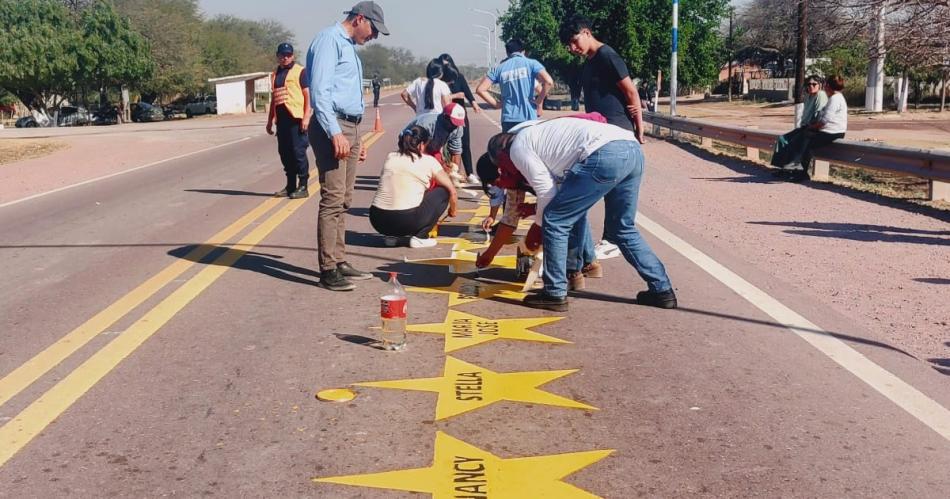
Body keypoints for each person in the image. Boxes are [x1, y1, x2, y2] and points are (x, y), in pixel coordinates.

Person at [484, 118, 676, 312]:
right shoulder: (537, 136)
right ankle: (662, 291)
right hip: (632, 149)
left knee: (554, 221)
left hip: (603, 152)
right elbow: (563, 195)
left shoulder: (517, 147)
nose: (506, 170)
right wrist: (536, 211)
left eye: (502, 166)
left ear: (502, 154)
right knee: (622, 228)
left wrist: (538, 228)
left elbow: (546, 192)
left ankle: (555, 293)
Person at [306, 1, 389, 291]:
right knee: (332, 199)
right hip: (334, 126)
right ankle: (328, 269)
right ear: (359, 19)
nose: (374, 36)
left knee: (345, 200)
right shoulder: (330, 40)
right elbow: (320, 92)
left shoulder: (349, 47)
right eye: (373, 30)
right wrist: (335, 134)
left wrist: (356, 139)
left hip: (349, 126)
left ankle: (339, 260)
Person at [474, 153, 601, 291]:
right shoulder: (511, 179)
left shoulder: (532, 167)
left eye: (498, 183)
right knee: (564, 216)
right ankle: (588, 263)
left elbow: (558, 198)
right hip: (561, 187)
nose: (502, 187)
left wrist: (536, 217)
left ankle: (569, 276)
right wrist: (490, 254)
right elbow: (509, 219)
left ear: (502, 171)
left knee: (563, 218)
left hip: (584, 171)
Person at [559, 16, 645, 142]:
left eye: (574, 41)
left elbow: (631, 92)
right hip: (599, 132)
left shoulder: (607, 56)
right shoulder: (588, 62)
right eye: (569, 45)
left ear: (587, 33)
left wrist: (639, 128)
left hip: (617, 132)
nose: (572, 48)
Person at [370, 125, 458, 248]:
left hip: (377, 220)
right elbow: (452, 191)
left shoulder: (391, 156)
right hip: (405, 221)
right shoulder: (428, 161)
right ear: (421, 145)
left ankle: (391, 237)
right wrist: (452, 210)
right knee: (443, 191)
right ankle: (420, 237)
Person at [475, 39, 554, 132]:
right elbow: (548, 82)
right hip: (528, 117)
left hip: (508, 118)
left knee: (509, 146)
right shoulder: (532, 64)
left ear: (507, 53)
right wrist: (539, 102)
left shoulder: (499, 69)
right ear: (523, 51)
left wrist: (497, 104)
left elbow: (480, 89)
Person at [266, 42, 312, 199]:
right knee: (285, 153)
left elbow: (307, 95)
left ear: (293, 56)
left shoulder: (300, 71)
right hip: (282, 121)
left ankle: (303, 186)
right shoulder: (275, 74)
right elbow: (274, 99)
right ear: (277, 56)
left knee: (298, 152)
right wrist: (270, 120)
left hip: (296, 119)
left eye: (288, 55)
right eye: (282, 55)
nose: (285, 58)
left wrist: (306, 116)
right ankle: (290, 185)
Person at [795, 75, 848, 181]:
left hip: (832, 132)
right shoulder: (837, 97)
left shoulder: (834, 99)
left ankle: (802, 173)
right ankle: (797, 171)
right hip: (832, 131)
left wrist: (812, 127)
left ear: (827, 86)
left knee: (806, 142)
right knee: (803, 137)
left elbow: (824, 121)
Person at [770, 75, 828, 173]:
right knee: (782, 139)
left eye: (814, 84)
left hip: (813, 128)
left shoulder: (820, 95)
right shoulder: (808, 96)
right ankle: (781, 168)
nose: (811, 86)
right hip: (804, 127)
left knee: (793, 142)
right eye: (809, 84)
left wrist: (810, 127)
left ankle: (793, 170)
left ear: (820, 85)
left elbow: (819, 115)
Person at [438, 53, 481, 184]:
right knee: (447, 147)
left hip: (460, 115)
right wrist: (455, 95)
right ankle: (450, 172)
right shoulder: (439, 81)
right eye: (444, 66)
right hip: (446, 117)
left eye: (448, 64)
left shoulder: (458, 77)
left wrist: (473, 103)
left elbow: (467, 92)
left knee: (465, 143)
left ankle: (469, 173)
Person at [403, 102, 466, 174]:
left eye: (458, 123)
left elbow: (456, 151)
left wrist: (455, 172)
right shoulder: (426, 124)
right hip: (411, 145)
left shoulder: (457, 128)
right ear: (445, 117)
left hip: (432, 147)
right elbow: (416, 149)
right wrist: (440, 165)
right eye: (453, 123)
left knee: (441, 172)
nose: (455, 127)